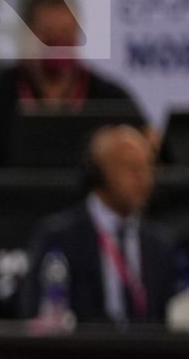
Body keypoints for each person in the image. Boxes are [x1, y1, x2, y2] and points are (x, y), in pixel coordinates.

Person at [0, 0, 145, 170]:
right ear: (26, 35)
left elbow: (146, 149)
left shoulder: (111, 99)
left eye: (66, 35)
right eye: (49, 37)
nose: (58, 46)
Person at [19, 123, 176, 325]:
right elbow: (35, 314)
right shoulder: (58, 236)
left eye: (148, 167)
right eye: (131, 167)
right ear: (98, 173)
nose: (144, 178)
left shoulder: (160, 244)